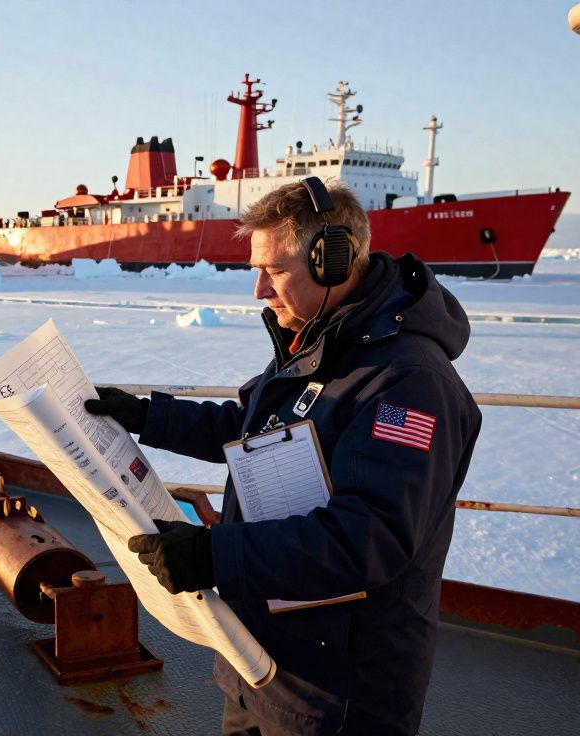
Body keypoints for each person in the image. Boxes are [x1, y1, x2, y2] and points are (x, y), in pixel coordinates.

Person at [85, 178, 482, 735]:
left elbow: (368, 539)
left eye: (273, 271)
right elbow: (254, 428)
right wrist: (149, 416)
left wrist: (214, 556)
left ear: (332, 263)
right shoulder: (323, 340)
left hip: (337, 690)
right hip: (262, 663)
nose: (257, 291)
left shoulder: (408, 384)